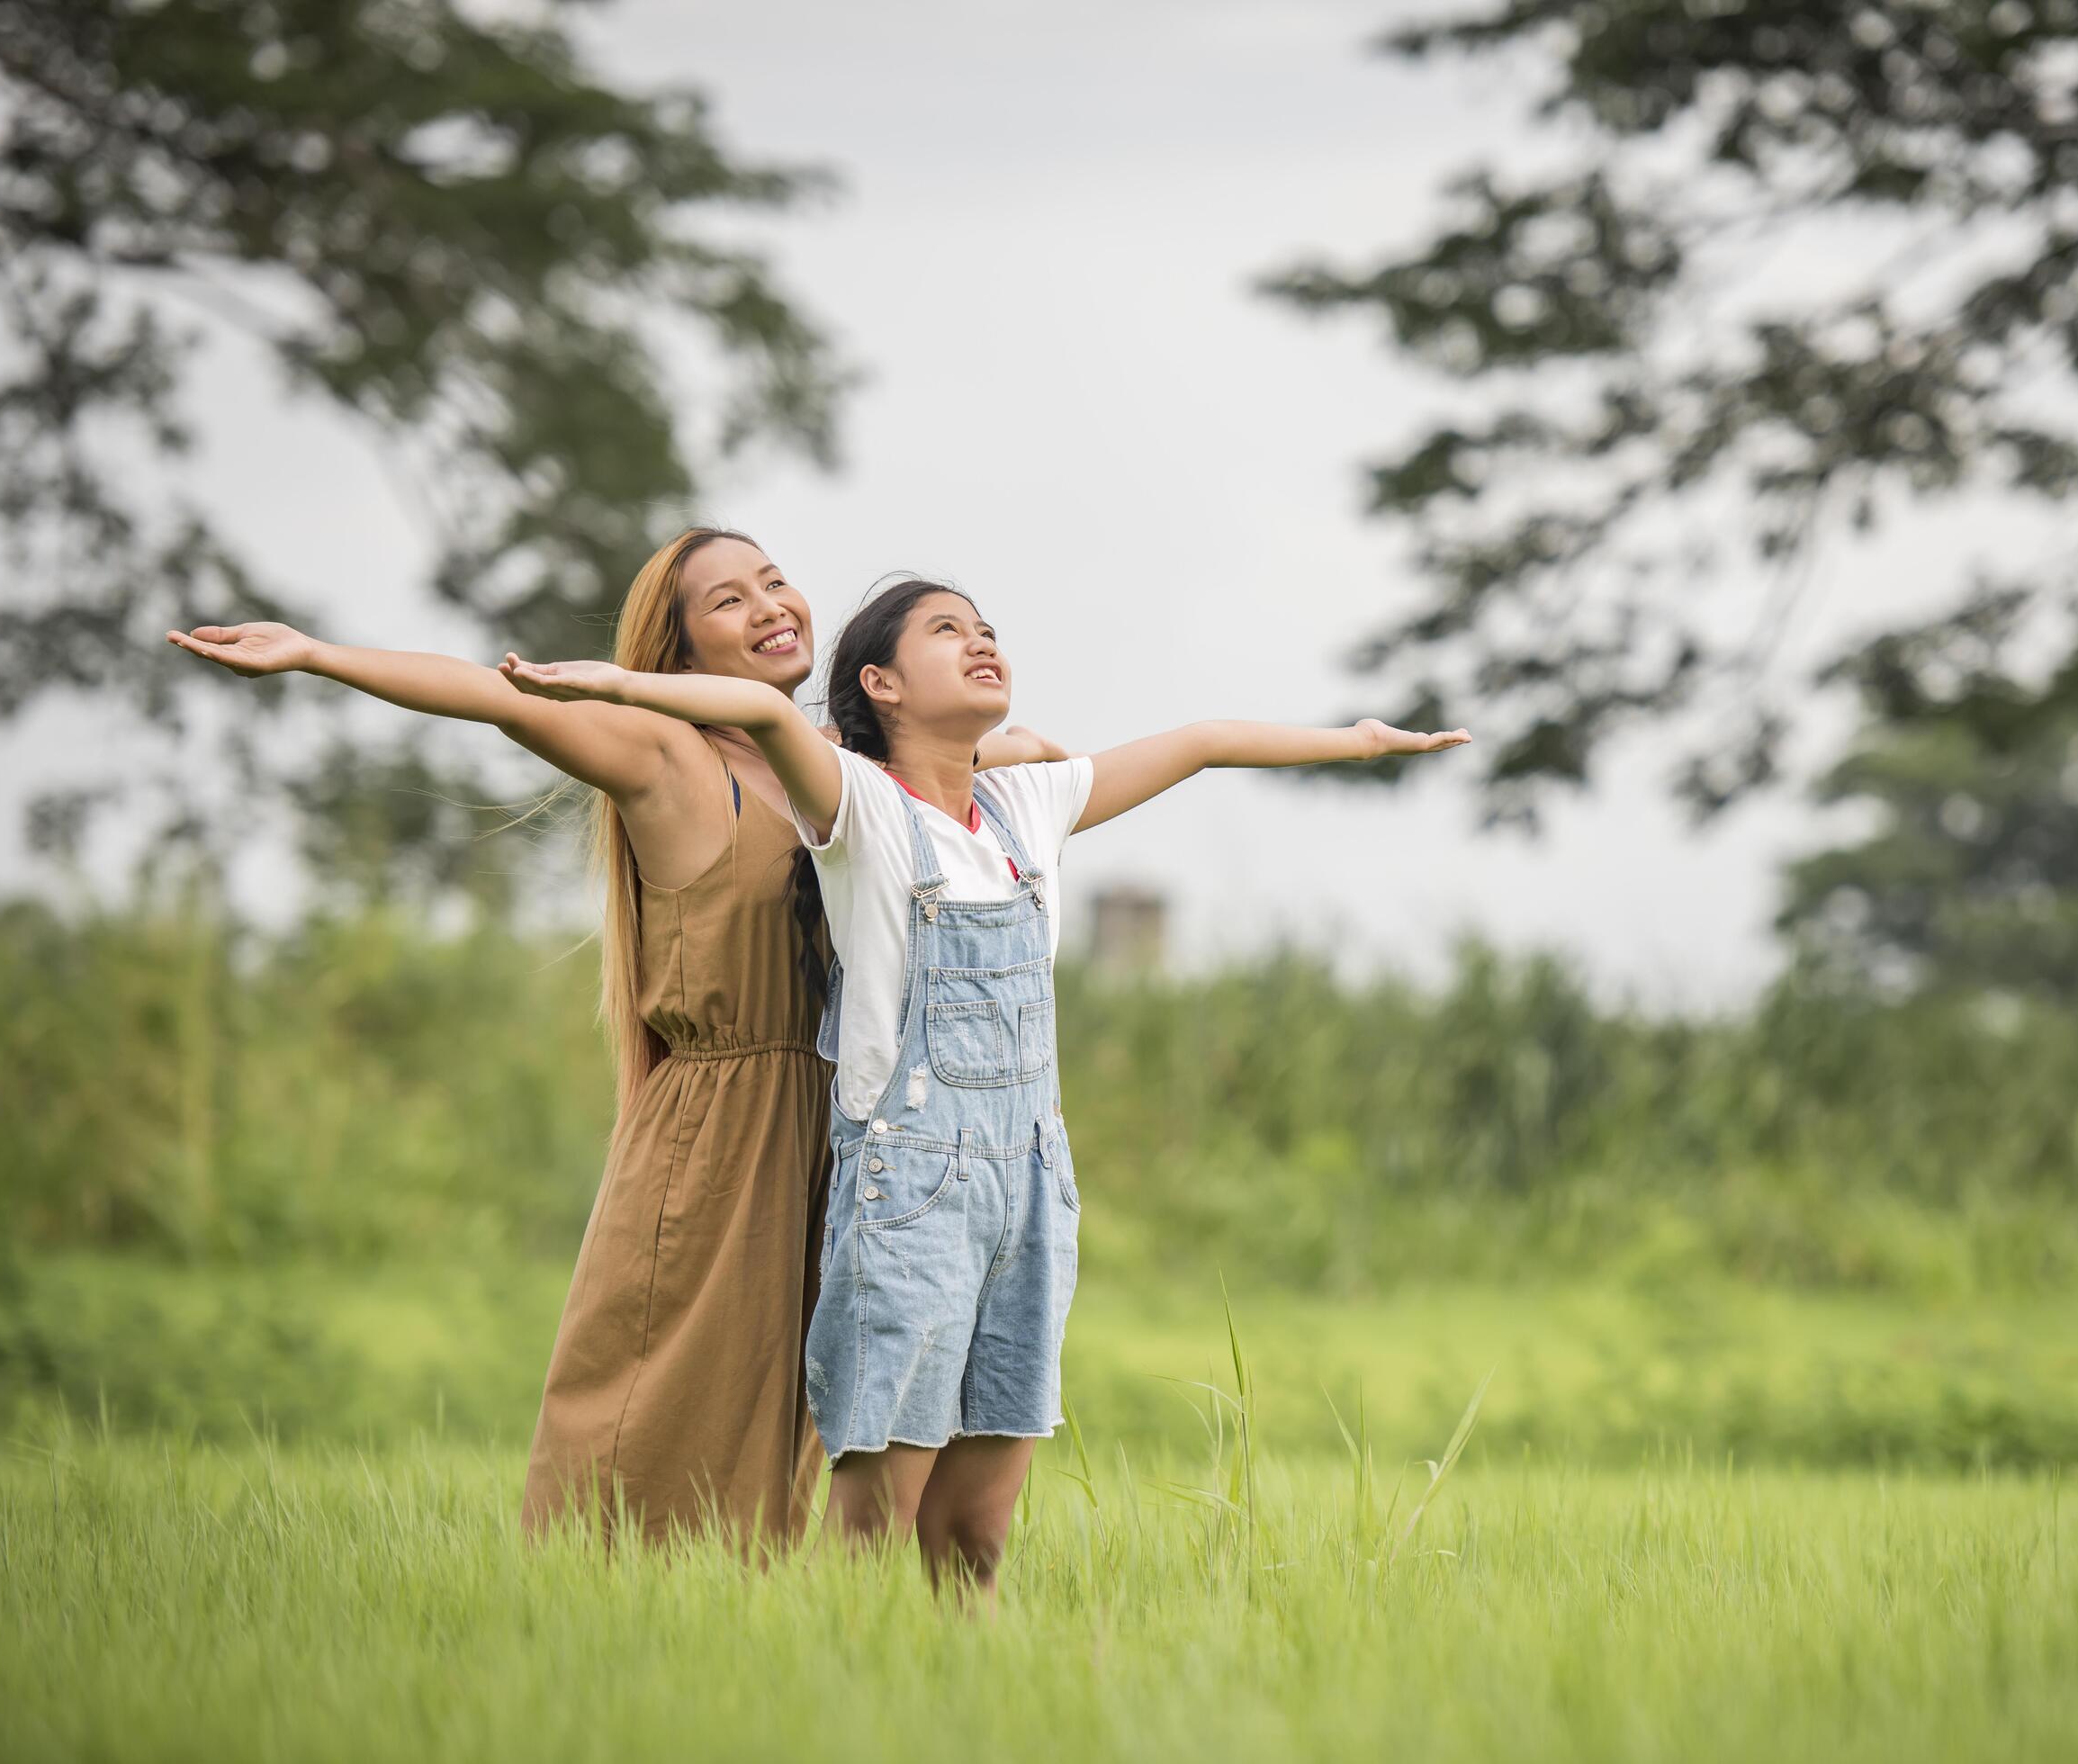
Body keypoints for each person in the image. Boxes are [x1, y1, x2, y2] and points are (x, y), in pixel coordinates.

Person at [499, 575, 1468, 1596]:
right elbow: (753, 709)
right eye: (947, 631)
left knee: (975, 1532)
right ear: (881, 683)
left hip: (1030, 1195)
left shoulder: (1025, 806)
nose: (982, 642)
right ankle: (830, 1689)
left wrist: (1357, 743)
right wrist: (616, 684)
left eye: (988, 629)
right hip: (909, 1193)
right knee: (877, 1521)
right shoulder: (859, 807)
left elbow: (1203, 739)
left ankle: (961, 1702)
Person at [166, 531, 1060, 1548]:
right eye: (728, 601)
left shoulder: (829, 765)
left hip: (854, 1133)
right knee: (668, 1403)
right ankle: (591, 1613)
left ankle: (758, 1642)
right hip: (723, 1130)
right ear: (677, 654)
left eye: (774, 581)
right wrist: (320, 655)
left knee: (806, 1417)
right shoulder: (664, 751)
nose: (771, 606)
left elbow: (989, 770)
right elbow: (498, 697)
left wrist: (1022, 747)